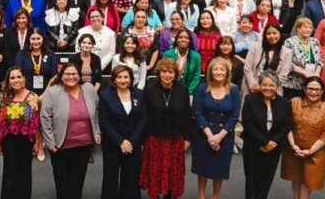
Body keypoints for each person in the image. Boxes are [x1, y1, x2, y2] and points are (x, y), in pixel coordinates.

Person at [41, 63, 101, 199]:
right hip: (60, 145)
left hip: (84, 144)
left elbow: (97, 110)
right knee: (62, 181)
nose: (71, 77)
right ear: (61, 77)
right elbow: (45, 118)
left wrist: (97, 131)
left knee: (78, 180)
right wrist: (50, 142)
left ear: (79, 76)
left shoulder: (89, 89)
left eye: (74, 74)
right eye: (67, 74)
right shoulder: (53, 92)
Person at [140, 58, 192, 199]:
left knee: (171, 172)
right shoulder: (150, 89)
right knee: (155, 172)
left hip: (175, 138)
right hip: (155, 138)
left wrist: (187, 138)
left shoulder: (182, 89)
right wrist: (144, 138)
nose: (167, 75)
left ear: (175, 74)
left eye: (170, 72)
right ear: (159, 73)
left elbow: (187, 115)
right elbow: (145, 115)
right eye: (164, 71)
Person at [191, 57, 241, 199]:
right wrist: (210, 136)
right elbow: (198, 112)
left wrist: (218, 137)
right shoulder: (202, 88)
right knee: (202, 169)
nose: (219, 72)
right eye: (215, 69)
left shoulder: (234, 90)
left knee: (219, 170)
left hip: (224, 136)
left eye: (222, 69)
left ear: (227, 72)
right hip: (203, 134)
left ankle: (215, 197)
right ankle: (201, 196)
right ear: (210, 71)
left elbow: (234, 115)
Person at [280, 76, 325, 199]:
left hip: (315, 152)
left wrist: (310, 151)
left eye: (317, 89)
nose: (313, 92)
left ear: (322, 91)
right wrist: (293, 145)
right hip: (293, 149)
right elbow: (286, 125)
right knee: (295, 176)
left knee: (309, 179)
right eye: (310, 88)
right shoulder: (294, 102)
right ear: (304, 89)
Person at [98, 65, 147, 199]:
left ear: (131, 79)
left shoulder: (140, 94)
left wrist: (131, 141)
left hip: (133, 144)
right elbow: (104, 122)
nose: (123, 80)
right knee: (110, 179)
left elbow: (143, 119)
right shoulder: (105, 95)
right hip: (112, 144)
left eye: (126, 77)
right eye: (119, 77)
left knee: (131, 179)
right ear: (113, 80)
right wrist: (121, 142)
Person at [241, 71, 293, 199]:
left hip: (274, 148)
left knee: (266, 180)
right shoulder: (250, 99)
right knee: (251, 181)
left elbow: (287, 125)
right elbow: (247, 124)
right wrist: (264, 142)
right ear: (260, 85)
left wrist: (272, 143)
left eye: (272, 85)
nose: (268, 88)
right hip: (253, 146)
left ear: (277, 86)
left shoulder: (285, 103)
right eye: (264, 85)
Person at [0, 66, 42, 199]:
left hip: (26, 140)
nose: (16, 80)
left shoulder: (32, 97)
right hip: (8, 141)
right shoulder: (2, 98)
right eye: (12, 78)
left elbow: (36, 122)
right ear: (8, 80)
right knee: (9, 173)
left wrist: (37, 143)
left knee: (24, 174)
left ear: (24, 79)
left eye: (18, 77)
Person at [243, 24, 292, 98]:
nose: (272, 36)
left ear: (280, 35)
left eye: (274, 33)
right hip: (252, 88)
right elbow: (247, 68)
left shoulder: (287, 52)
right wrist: (254, 86)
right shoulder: (256, 47)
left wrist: (265, 87)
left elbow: (283, 74)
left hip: (273, 90)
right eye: (268, 34)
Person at [281, 18, 324, 99]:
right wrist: (305, 73)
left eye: (310, 27)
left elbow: (320, 60)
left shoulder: (315, 42)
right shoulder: (290, 42)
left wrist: (317, 73)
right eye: (305, 27)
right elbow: (287, 62)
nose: (308, 30)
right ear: (298, 28)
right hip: (293, 83)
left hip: (310, 83)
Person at [162, 29, 202, 95]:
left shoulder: (196, 56)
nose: (183, 40)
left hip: (188, 92)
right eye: (180, 37)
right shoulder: (168, 54)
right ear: (176, 40)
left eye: (186, 38)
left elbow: (196, 77)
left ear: (190, 41)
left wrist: (188, 92)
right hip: (169, 90)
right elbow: (164, 73)